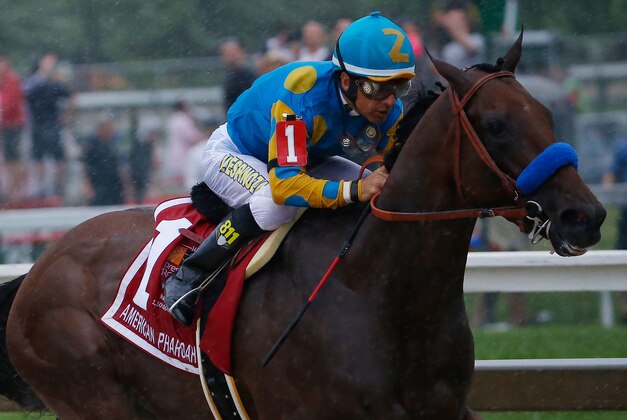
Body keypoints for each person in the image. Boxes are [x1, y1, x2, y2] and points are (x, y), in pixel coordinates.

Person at [164, 11, 416, 325]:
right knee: (276, 205)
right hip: (234, 152)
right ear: (347, 81)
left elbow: (393, 172)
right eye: (376, 89)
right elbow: (285, 185)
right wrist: (355, 190)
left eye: (399, 88)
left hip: (308, 159)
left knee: (377, 188)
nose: (389, 102)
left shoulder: (389, 108)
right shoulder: (302, 95)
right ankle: (190, 273)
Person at [24, 52, 75, 200]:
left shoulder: (48, 84)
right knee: (46, 158)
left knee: (51, 158)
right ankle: (49, 190)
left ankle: (52, 189)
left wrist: (66, 116)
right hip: (42, 125)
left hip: (47, 125)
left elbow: (71, 96)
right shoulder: (41, 83)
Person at [603, 138, 627, 323]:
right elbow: (610, 177)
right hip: (626, 217)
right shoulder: (623, 147)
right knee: (623, 262)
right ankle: (625, 312)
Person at [82, 113, 126, 206]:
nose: (111, 131)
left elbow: (118, 166)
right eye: (108, 128)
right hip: (99, 185)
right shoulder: (92, 146)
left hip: (114, 185)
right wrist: (88, 185)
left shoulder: (112, 145)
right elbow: (86, 165)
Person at [0, 56, 26, 204]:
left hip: (12, 125)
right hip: (6, 125)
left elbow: (10, 103)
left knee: (13, 158)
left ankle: (16, 189)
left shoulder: (12, 81)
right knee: (9, 158)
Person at [164, 101, 204, 193]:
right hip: (185, 153)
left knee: (177, 181)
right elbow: (191, 137)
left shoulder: (172, 119)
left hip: (174, 152)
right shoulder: (183, 119)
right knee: (188, 179)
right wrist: (204, 135)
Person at [433, 2, 486, 69]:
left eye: (457, 21)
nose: (455, 24)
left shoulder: (477, 38)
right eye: (452, 21)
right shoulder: (448, 49)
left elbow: (472, 49)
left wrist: (455, 31)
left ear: (466, 21)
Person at [220, 38, 258, 110]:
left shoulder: (250, 77)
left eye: (233, 52)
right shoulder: (230, 78)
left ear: (242, 52)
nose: (230, 56)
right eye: (226, 53)